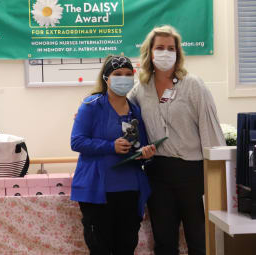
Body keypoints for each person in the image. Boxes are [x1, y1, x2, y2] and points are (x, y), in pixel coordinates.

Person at [128, 25, 226, 255]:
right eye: (159, 47)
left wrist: (217, 176)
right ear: (150, 52)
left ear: (178, 52)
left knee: (199, 240)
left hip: (193, 173)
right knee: (164, 242)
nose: (165, 52)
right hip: (158, 173)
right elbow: (120, 113)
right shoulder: (141, 89)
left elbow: (210, 130)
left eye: (170, 48)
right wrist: (92, 108)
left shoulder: (193, 85)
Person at [71, 55, 156, 255]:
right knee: (100, 248)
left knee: (126, 247)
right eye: (118, 74)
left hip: (130, 191)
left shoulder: (134, 110)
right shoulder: (91, 106)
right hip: (98, 192)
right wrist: (110, 146)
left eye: (128, 74)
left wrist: (144, 153)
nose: (123, 78)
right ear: (106, 78)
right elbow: (77, 141)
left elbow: (138, 146)